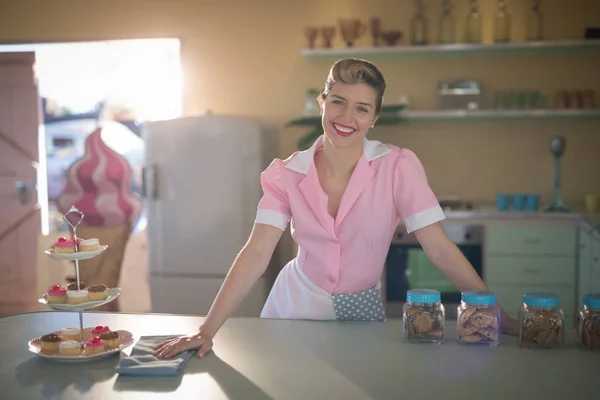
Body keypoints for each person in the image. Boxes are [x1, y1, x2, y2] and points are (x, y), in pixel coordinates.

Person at [153, 58, 519, 359]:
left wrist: (495, 314)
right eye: (338, 102)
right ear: (322, 103)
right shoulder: (285, 174)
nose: (347, 117)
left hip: (358, 306)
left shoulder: (397, 167)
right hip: (292, 305)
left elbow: (438, 247)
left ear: (374, 118)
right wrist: (206, 330)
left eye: (362, 108)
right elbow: (257, 251)